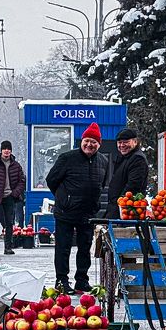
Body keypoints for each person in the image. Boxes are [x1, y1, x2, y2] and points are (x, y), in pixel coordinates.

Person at [46, 122, 108, 292]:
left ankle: (82, 279)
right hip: (66, 212)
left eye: (94, 142)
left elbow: (101, 184)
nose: (90, 145)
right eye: (87, 141)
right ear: (82, 141)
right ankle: (62, 281)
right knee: (63, 248)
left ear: (99, 144)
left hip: (88, 213)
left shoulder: (103, 161)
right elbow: (51, 180)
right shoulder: (67, 158)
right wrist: (64, 197)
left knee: (85, 248)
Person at [0, 140, 26, 255]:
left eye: (8, 149)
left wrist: (15, 193)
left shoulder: (16, 166)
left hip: (9, 197)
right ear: (1, 150)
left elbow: (22, 181)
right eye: (4, 149)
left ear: (11, 151)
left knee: (9, 222)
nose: (6, 151)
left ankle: (8, 246)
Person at [106, 127, 149, 219]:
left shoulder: (137, 159)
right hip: (118, 208)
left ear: (135, 142)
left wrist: (120, 203)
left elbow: (133, 186)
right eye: (119, 142)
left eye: (125, 142)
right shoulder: (125, 157)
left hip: (127, 210)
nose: (122, 145)